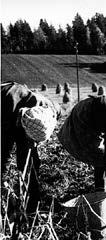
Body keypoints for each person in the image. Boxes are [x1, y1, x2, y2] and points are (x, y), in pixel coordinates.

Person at [1, 82, 61, 214]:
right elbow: (3, 153)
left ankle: (33, 203)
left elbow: (58, 112)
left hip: (25, 119)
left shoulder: (47, 107)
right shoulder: (5, 114)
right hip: (6, 115)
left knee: (31, 161)